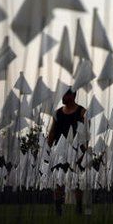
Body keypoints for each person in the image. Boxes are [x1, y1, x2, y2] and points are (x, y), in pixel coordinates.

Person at [46, 88, 87, 216]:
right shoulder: (57, 113)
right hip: (60, 150)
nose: (62, 98)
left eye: (64, 95)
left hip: (76, 151)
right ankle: (58, 208)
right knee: (59, 180)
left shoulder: (82, 112)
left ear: (72, 96)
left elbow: (86, 133)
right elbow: (52, 132)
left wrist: (84, 152)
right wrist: (47, 150)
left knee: (77, 180)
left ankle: (79, 208)